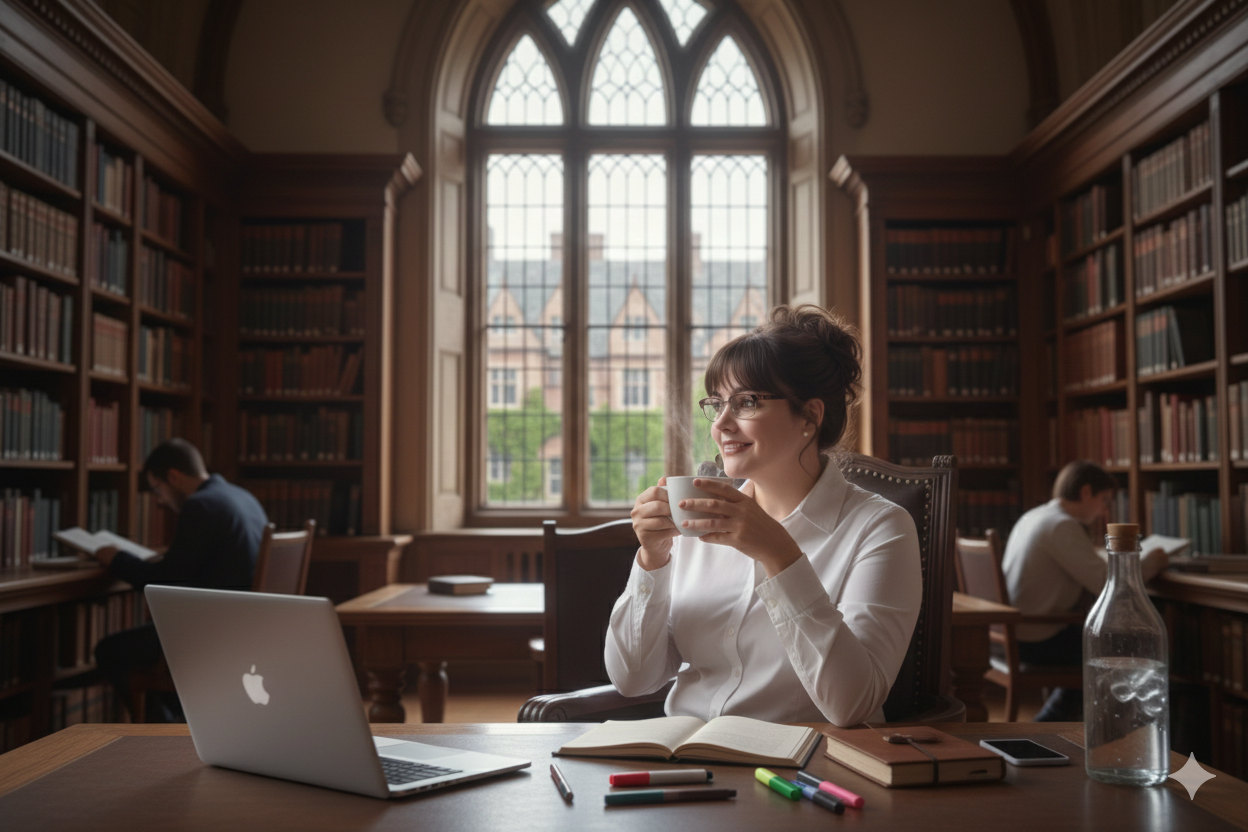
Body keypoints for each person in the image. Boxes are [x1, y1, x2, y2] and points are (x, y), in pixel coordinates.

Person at [605, 304, 922, 727]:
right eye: (716, 404)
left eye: (747, 402)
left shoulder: (880, 529)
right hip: (687, 759)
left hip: (802, 770)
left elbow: (853, 704)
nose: (721, 425)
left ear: (810, 415)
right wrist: (652, 559)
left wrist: (780, 557)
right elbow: (633, 679)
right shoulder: (696, 523)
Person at [92, 438, 269, 721]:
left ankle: (164, 732)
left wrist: (116, 559)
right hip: (244, 627)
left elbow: (164, 583)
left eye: (157, 489)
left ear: (174, 476)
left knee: (109, 651)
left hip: (210, 635)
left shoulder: (201, 505)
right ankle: (182, 725)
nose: (160, 501)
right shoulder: (241, 497)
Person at [1001, 460, 1168, 722]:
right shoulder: (1062, 525)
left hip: (1013, 633)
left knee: (1101, 640)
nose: (1104, 510)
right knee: (1127, 648)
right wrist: (1152, 561)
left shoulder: (1035, 516)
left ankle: (1053, 723)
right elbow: (1106, 582)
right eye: (1104, 499)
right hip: (1037, 639)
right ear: (1086, 492)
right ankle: (1071, 726)